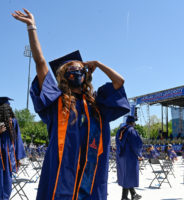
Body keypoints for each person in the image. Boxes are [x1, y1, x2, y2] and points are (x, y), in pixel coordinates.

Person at [12, 9, 130, 200]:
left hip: (91, 179)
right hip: (60, 177)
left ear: (86, 74)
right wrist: (32, 27)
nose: (76, 70)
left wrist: (98, 64)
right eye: (71, 68)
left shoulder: (97, 103)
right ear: (63, 74)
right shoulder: (56, 101)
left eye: (79, 67)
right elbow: (40, 62)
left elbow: (119, 82)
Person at [0, 97, 26, 200]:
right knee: (6, 184)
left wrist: (19, 157)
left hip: (7, 158)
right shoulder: (13, 121)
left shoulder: (13, 122)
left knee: (7, 184)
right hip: (7, 157)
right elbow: (18, 139)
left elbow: (17, 139)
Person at [116, 116, 143, 200]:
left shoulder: (120, 130)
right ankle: (124, 197)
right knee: (128, 176)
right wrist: (139, 154)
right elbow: (137, 144)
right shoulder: (131, 130)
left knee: (126, 176)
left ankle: (133, 194)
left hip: (121, 156)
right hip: (129, 157)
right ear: (132, 123)